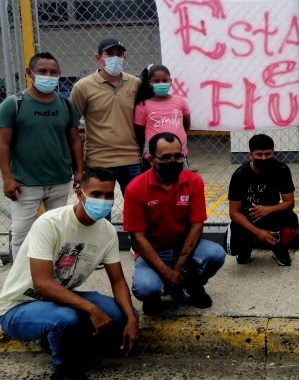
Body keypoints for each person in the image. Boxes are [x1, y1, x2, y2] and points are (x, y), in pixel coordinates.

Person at [0, 168, 139, 380]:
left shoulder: (107, 231)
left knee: (122, 315)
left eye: (109, 195)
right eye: (96, 194)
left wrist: (131, 319)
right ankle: (64, 370)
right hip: (19, 306)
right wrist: (92, 309)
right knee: (65, 319)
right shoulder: (50, 223)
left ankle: (60, 340)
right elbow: (42, 285)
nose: (103, 200)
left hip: (59, 301)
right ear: (80, 193)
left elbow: (118, 281)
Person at [124, 132, 225, 314]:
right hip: (153, 251)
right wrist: (166, 273)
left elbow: (197, 226)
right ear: (151, 160)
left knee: (215, 254)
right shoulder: (136, 188)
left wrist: (177, 268)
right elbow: (137, 238)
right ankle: (155, 295)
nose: (173, 161)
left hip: (182, 247)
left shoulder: (194, 182)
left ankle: (193, 285)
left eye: (178, 156)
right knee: (145, 288)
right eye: (166, 157)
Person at [0, 52, 83, 260]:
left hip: (59, 181)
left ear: (59, 75)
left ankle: (51, 278)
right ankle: (21, 282)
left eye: (53, 72)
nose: (48, 76)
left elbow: (74, 140)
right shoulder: (13, 104)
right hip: (25, 184)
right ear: (30, 73)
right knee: (21, 235)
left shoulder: (65, 105)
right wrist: (7, 178)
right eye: (42, 71)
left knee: (57, 233)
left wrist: (79, 171)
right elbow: (3, 143)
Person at [70, 37, 142, 196]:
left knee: (137, 211)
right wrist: (78, 165)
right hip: (99, 161)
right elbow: (71, 126)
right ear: (98, 58)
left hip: (132, 159)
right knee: (99, 213)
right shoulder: (83, 87)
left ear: (125, 58)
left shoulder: (136, 84)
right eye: (109, 54)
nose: (115, 58)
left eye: (119, 54)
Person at [224, 134, 299, 266]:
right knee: (233, 246)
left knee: (291, 219)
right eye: (259, 154)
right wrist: (257, 232)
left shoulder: (281, 170)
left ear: (273, 153)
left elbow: (289, 202)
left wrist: (268, 209)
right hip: (248, 217)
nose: (264, 158)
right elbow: (234, 212)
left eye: (267, 154)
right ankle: (245, 249)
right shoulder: (240, 175)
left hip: (271, 214)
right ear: (251, 155)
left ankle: (279, 248)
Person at [134, 64, 191, 171]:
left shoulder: (180, 102)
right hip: (155, 157)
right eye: (156, 81)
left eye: (165, 80)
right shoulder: (143, 105)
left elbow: (186, 124)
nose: (161, 84)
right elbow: (139, 131)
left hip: (179, 154)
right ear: (150, 83)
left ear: (170, 81)